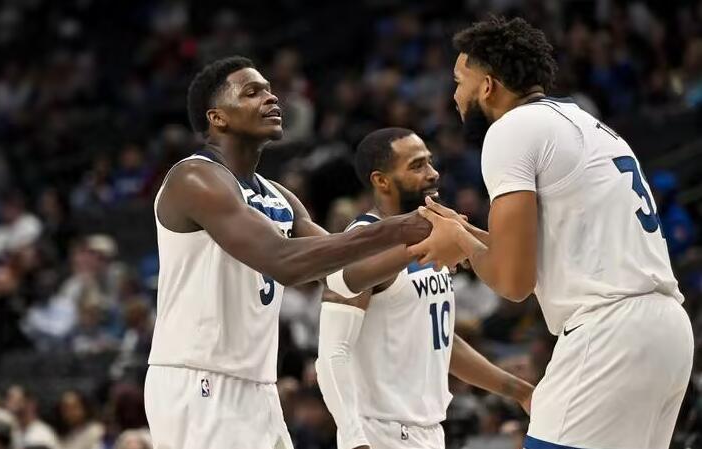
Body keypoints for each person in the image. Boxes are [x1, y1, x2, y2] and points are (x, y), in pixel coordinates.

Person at [407, 17, 694, 449]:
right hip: (666, 330)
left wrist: (459, 240)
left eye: (459, 82)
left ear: (488, 86)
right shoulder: (586, 124)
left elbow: (514, 282)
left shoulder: (511, 130)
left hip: (609, 332)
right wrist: (467, 233)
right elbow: (546, 252)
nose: (454, 96)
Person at [144, 56, 433, 449]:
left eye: (269, 90)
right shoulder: (193, 178)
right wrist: (396, 228)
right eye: (252, 92)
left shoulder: (279, 197)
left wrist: (427, 244)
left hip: (258, 384)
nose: (271, 97)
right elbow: (283, 261)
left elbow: (345, 275)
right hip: (198, 378)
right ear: (217, 118)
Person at [315, 128, 533, 449]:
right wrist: (354, 439)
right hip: (381, 432)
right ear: (381, 181)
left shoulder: (430, 237)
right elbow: (332, 354)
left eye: (430, 162)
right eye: (417, 166)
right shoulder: (363, 245)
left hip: (427, 431)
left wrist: (520, 392)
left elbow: (439, 341)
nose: (433, 173)